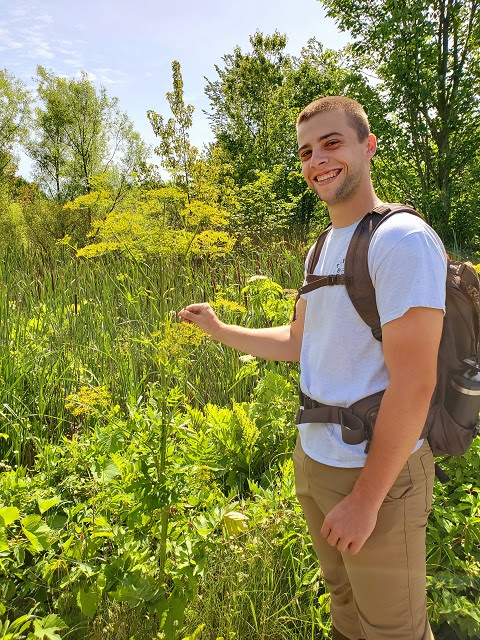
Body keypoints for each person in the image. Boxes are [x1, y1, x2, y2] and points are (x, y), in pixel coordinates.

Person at [178, 96, 447, 640]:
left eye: (332, 144)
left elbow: (416, 383)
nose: (317, 161)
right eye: (306, 152)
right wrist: (221, 329)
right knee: (343, 604)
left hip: (377, 475)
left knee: (393, 629)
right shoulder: (322, 245)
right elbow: (301, 340)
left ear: (367, 147)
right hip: (317, 460)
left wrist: (366, 500)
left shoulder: (401, 241)